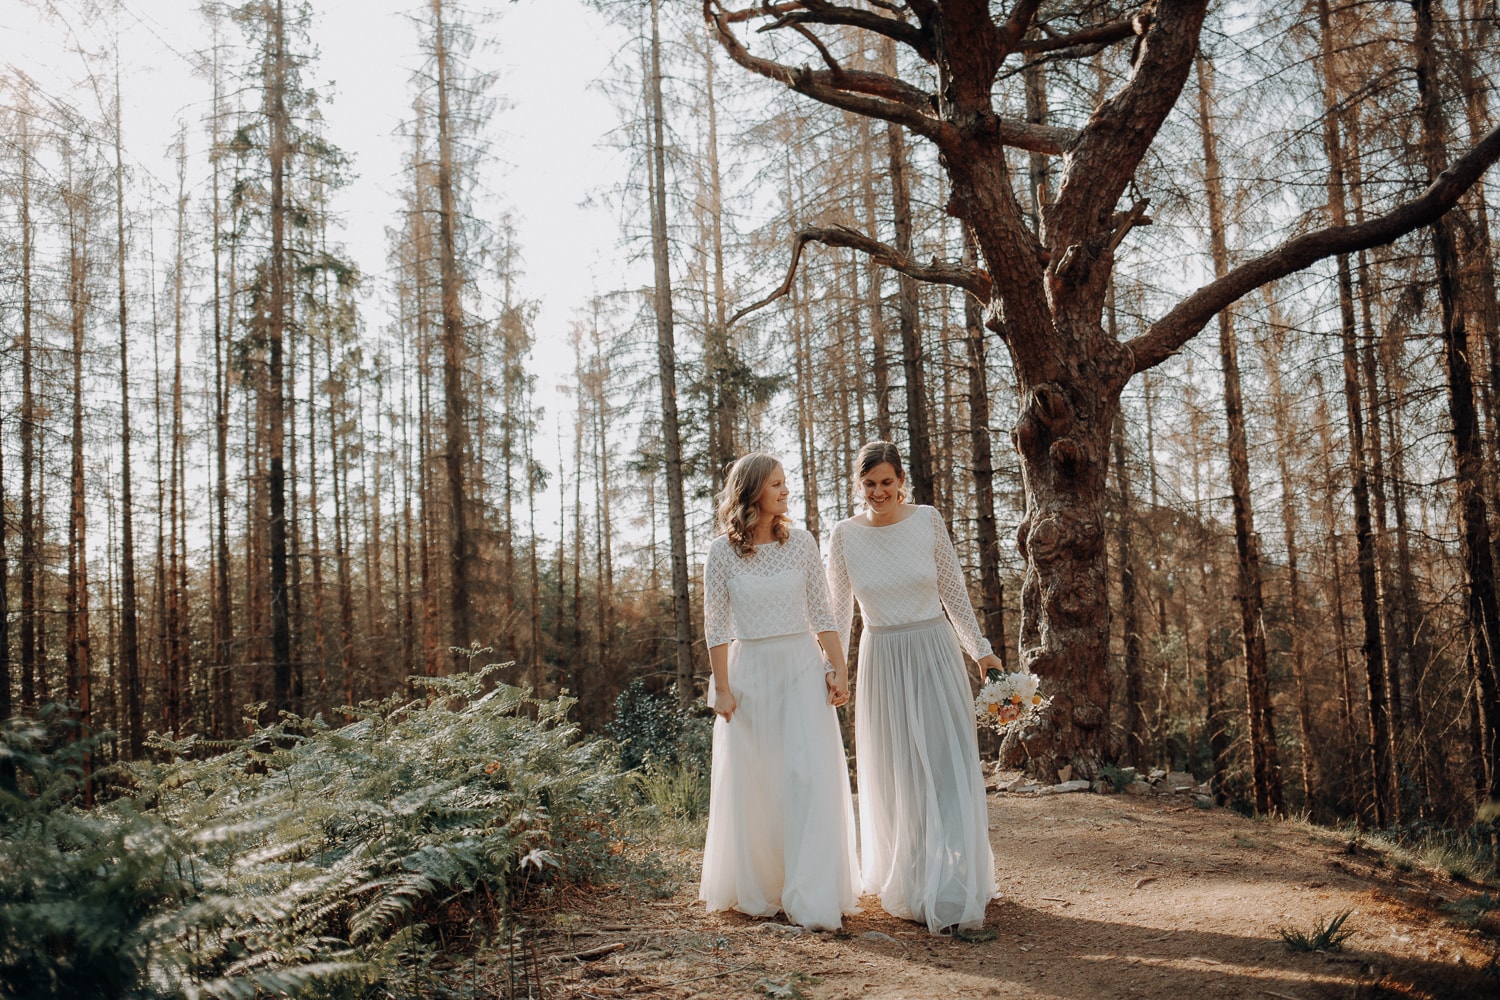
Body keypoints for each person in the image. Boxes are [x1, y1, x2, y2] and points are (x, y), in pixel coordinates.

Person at [827, 441, 1002, 934]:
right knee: (899, 769)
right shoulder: (843, 536)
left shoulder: (927, 520)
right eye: (869, 484)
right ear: (857, 486)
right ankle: (913, 875)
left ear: (902, 480)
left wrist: (980, 649)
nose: (878, 492)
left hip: (934, 651)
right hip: (882, 658)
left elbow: (953, 591)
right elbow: (838, 614)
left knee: (947, 763)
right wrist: (835, 669)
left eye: (886, 481)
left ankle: (954, 882)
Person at [698, 453, 861, 930]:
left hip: (800, 670)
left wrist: (839, 670)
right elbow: (715, 626)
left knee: (805, 776)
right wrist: (722, 689)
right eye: (776, 484)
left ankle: (811, 890)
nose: (785, 491)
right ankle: (764, 887)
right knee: (760, 782)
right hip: (750, 676)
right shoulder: (721, 552)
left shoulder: (803, 542)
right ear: (751, 492)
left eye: (786, 483)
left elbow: (824, 614)